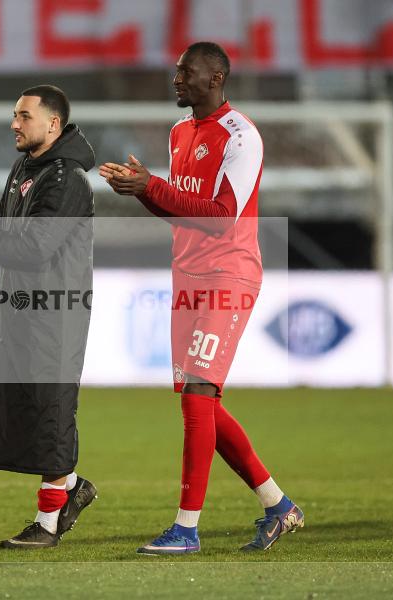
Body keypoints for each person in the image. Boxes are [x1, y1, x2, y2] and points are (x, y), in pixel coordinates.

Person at [99, 41, 303, 554]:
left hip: (228, 275)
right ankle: (279, 507)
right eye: (175, 72)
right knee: (203, 401)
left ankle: (186, 529)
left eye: (185, 72)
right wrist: (143, 188)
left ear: (215, 78)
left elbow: (219, 216)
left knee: (197, 395)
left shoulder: (242, 136)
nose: (176, 79)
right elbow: (180, 208)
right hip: (187, 277)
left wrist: (152, 186)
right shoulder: (179, 132)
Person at [0, 85, 98, 547]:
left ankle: (48, 524)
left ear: (53, 124)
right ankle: (70, 489)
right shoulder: (26, 170)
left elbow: (35, 248)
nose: (14, 123)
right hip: (20, 308)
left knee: (50, 413)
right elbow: (11, 235)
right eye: (14, 115)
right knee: (15, 410)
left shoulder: (67, 179)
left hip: (54, 313)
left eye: (24, 116)